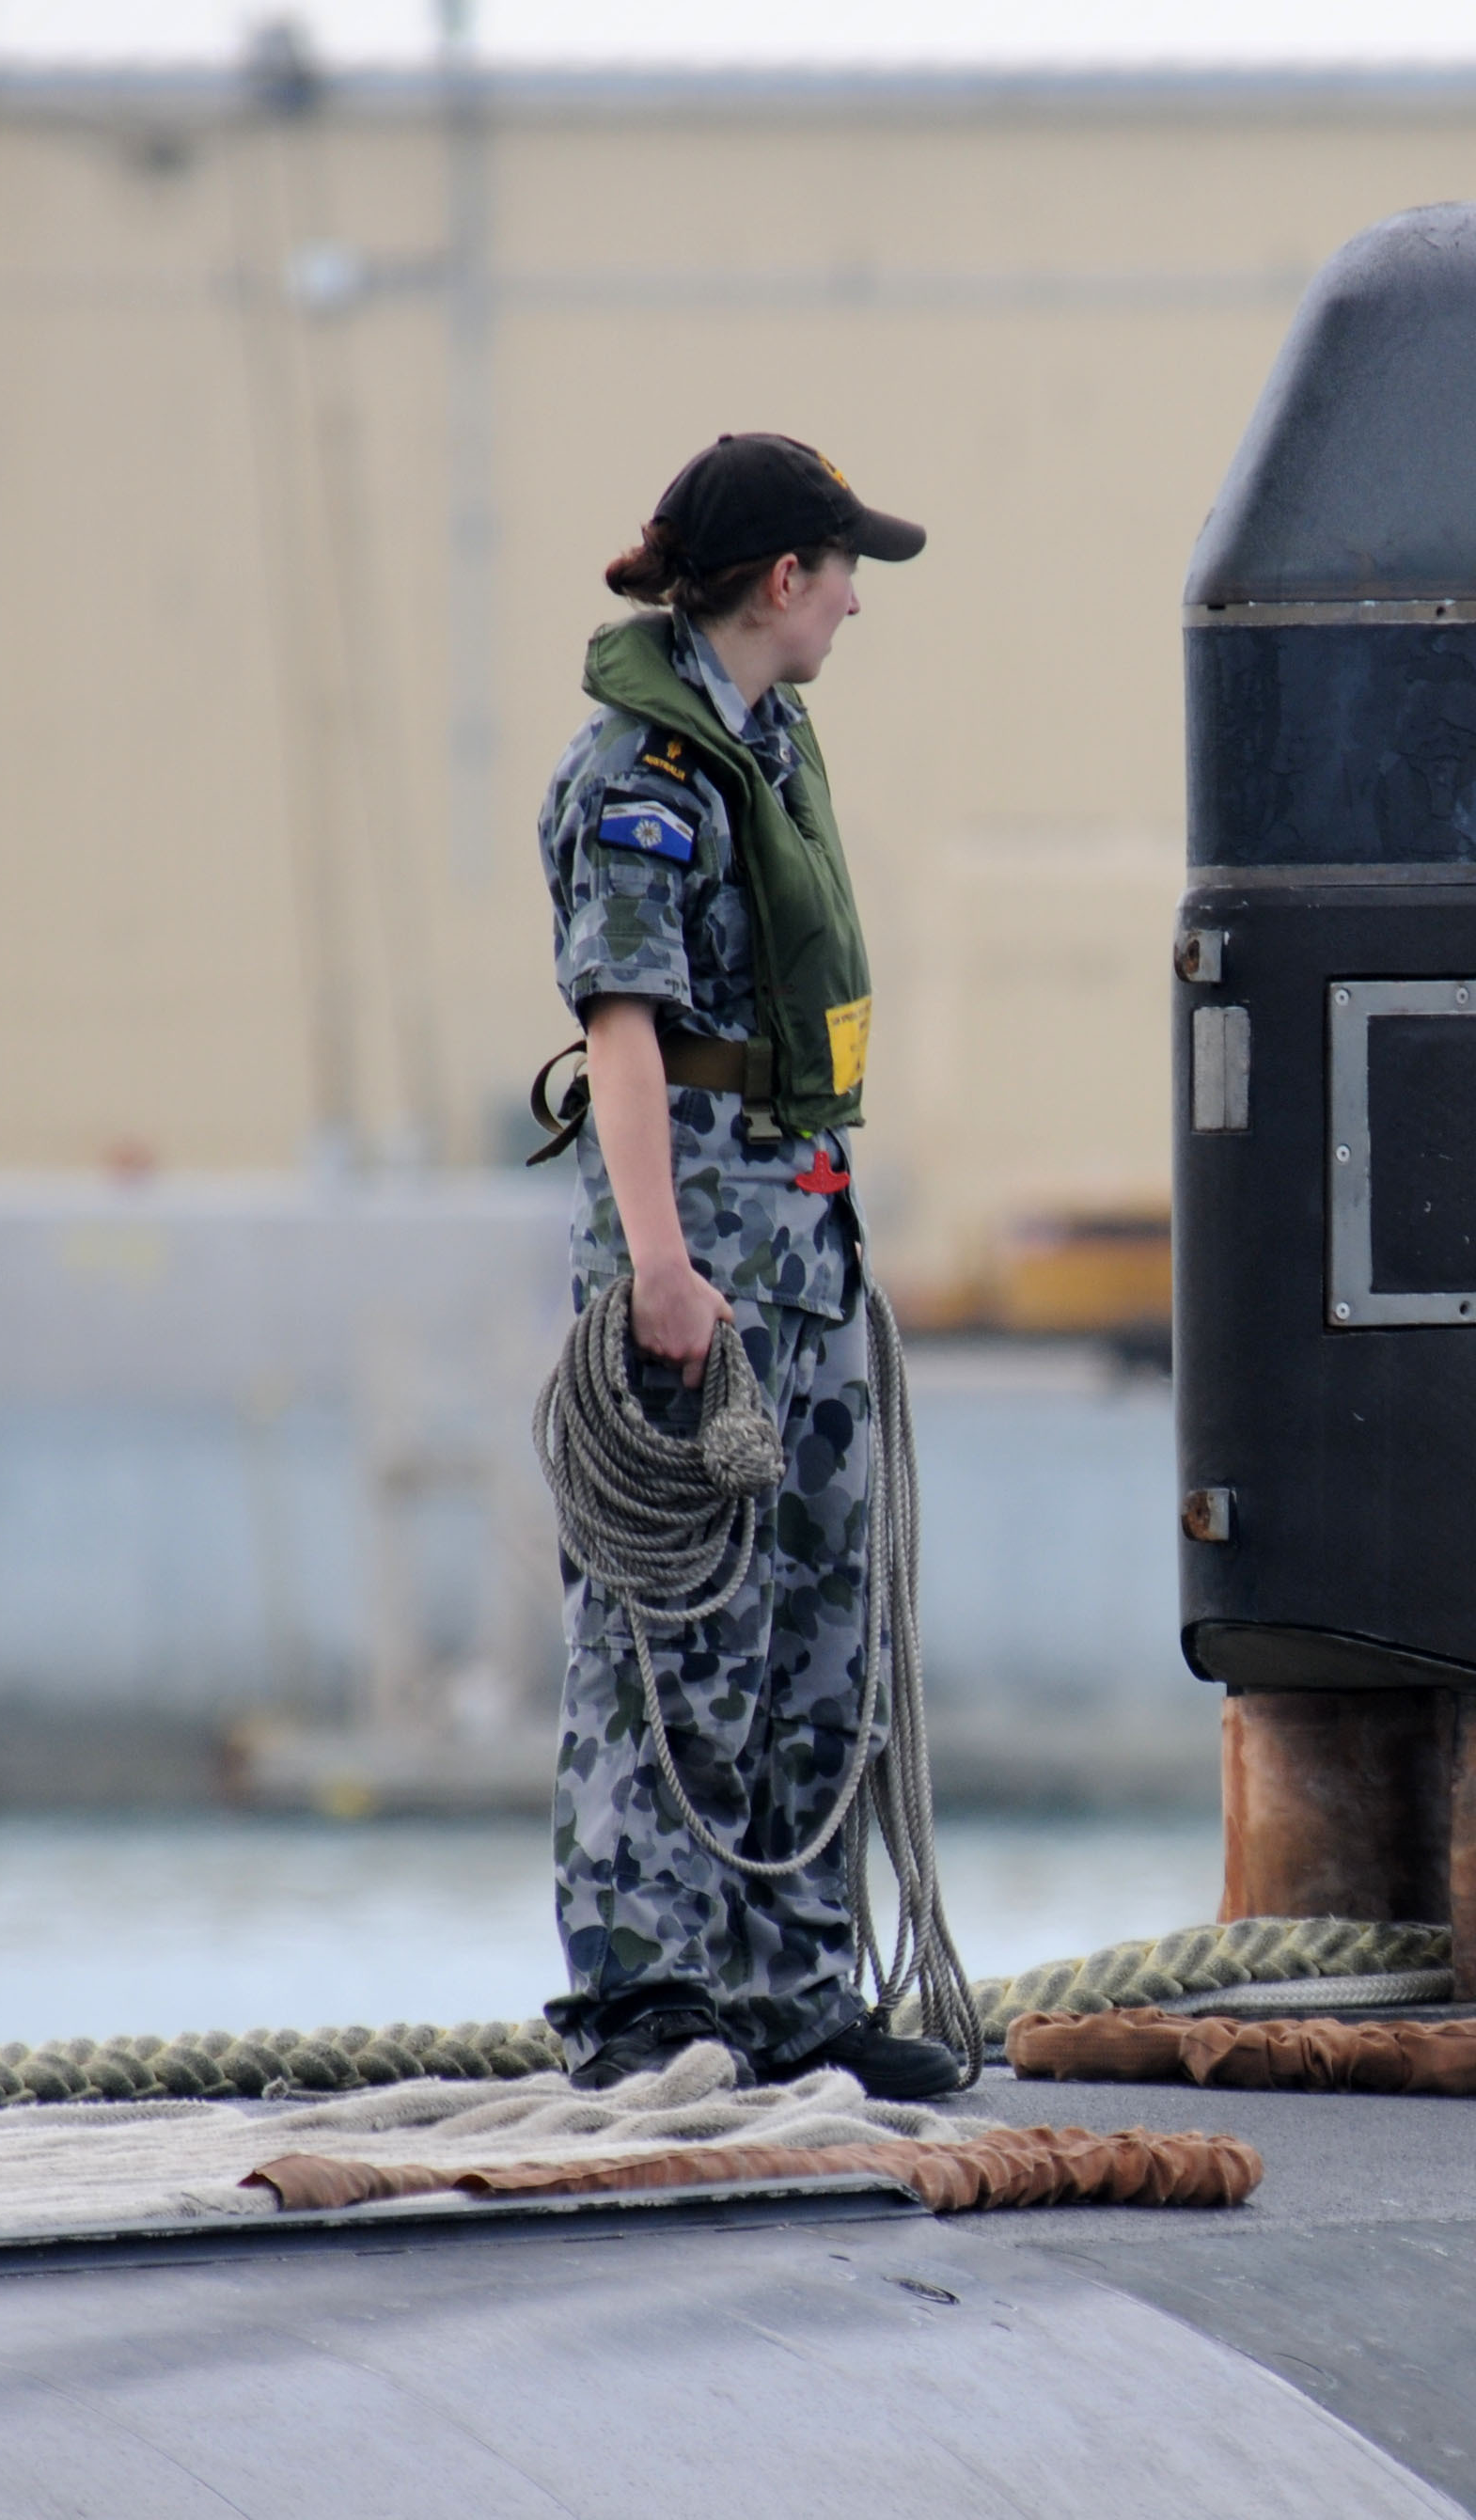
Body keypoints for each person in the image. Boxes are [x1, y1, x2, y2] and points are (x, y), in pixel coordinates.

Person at [532, 433, 958, 2096]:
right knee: (672, 1630)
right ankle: (647, 1987)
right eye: (845, 572)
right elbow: (626, 1035)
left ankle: (791, 1989)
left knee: (815, 1637)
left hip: (806, 1246)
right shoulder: (644, 781)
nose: (857, 603)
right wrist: (657, 1267)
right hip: (704, 1250)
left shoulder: (770, 754)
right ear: (784, 580)